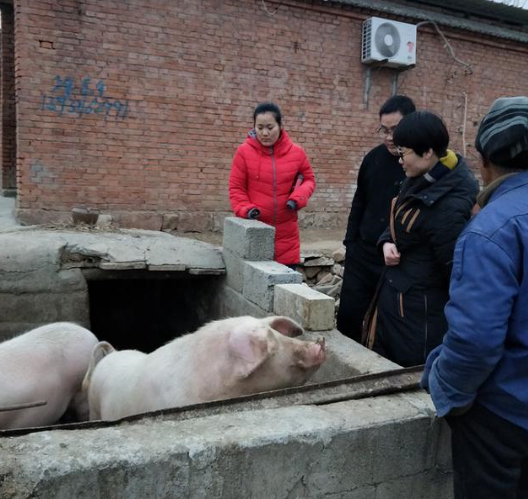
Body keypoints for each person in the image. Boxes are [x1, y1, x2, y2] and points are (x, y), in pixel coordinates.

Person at [422, 96, 528, 499]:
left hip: (504, 420)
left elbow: (476, 340)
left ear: (484, 161)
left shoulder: (492, 229)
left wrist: (450, 392)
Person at [366, 110, 478, 367]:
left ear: (427, 152)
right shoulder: (421, 179)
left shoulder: (449, 206)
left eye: (404, 153)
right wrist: (386, 242)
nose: (400, 161)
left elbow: (457, 277)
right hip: (397, 305)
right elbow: (397, 221)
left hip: (420, 322)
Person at [337, 95, 416, 342]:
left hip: (395, 260)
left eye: (395, 130)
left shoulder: (418, 166)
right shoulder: (373, 158)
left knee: (387, 323)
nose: (389, 137)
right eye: (384, 129)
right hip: (362, 253)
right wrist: (351, 243)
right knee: (349, 315)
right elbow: (359, 201)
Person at [229, 102, 315, 266]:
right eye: (259, 127)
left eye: (270, 127)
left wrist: (297, 198)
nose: (265, 133)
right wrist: (246, 209)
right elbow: (236, 188)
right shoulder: (243, 152)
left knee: (286, 285)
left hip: (287, 236)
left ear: (280, 125)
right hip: (255, 231)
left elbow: (309, 179)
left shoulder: (297, 153)